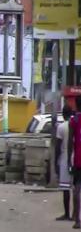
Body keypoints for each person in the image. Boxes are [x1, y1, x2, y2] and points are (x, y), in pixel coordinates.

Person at [56, 105, 73, 221]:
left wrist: (56, 162)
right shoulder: (76, 125)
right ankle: (76, 214)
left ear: (63, 114)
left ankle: (67, 214)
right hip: (76, 156)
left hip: (65, 157)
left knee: (66, 188)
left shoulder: (61, 127)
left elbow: (58, 146)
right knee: (77, 187)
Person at [69, 96, 81, 229]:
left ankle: (77, 219)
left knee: (77, 189)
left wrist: (68, 160)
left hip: (78, 160)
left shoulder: (74, 120)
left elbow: (69, 142)